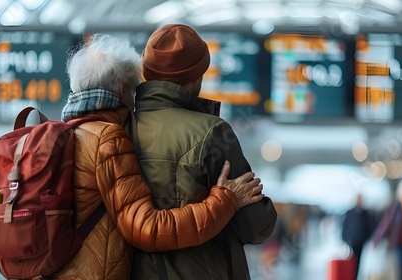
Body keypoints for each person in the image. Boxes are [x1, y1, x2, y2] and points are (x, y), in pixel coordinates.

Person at [51, 34, 264, 280]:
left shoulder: (66, 134)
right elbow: (147, 229)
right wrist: (225, 200)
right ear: (122, 89)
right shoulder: (108, 138)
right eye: (133, 90)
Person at [133, 23, 277, 280]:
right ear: (197, 76)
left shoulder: (117, 130)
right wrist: (228, 202)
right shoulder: (212, 133)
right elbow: (257, 226)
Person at [341, 193, 376, 280]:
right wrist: (345, 239)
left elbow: (371, 227)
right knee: (350, 262)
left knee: (358, 263)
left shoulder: (366, 214)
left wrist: (368, 239)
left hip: (361, 242)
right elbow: (345, 227)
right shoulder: (350, 213)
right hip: (351, 242)